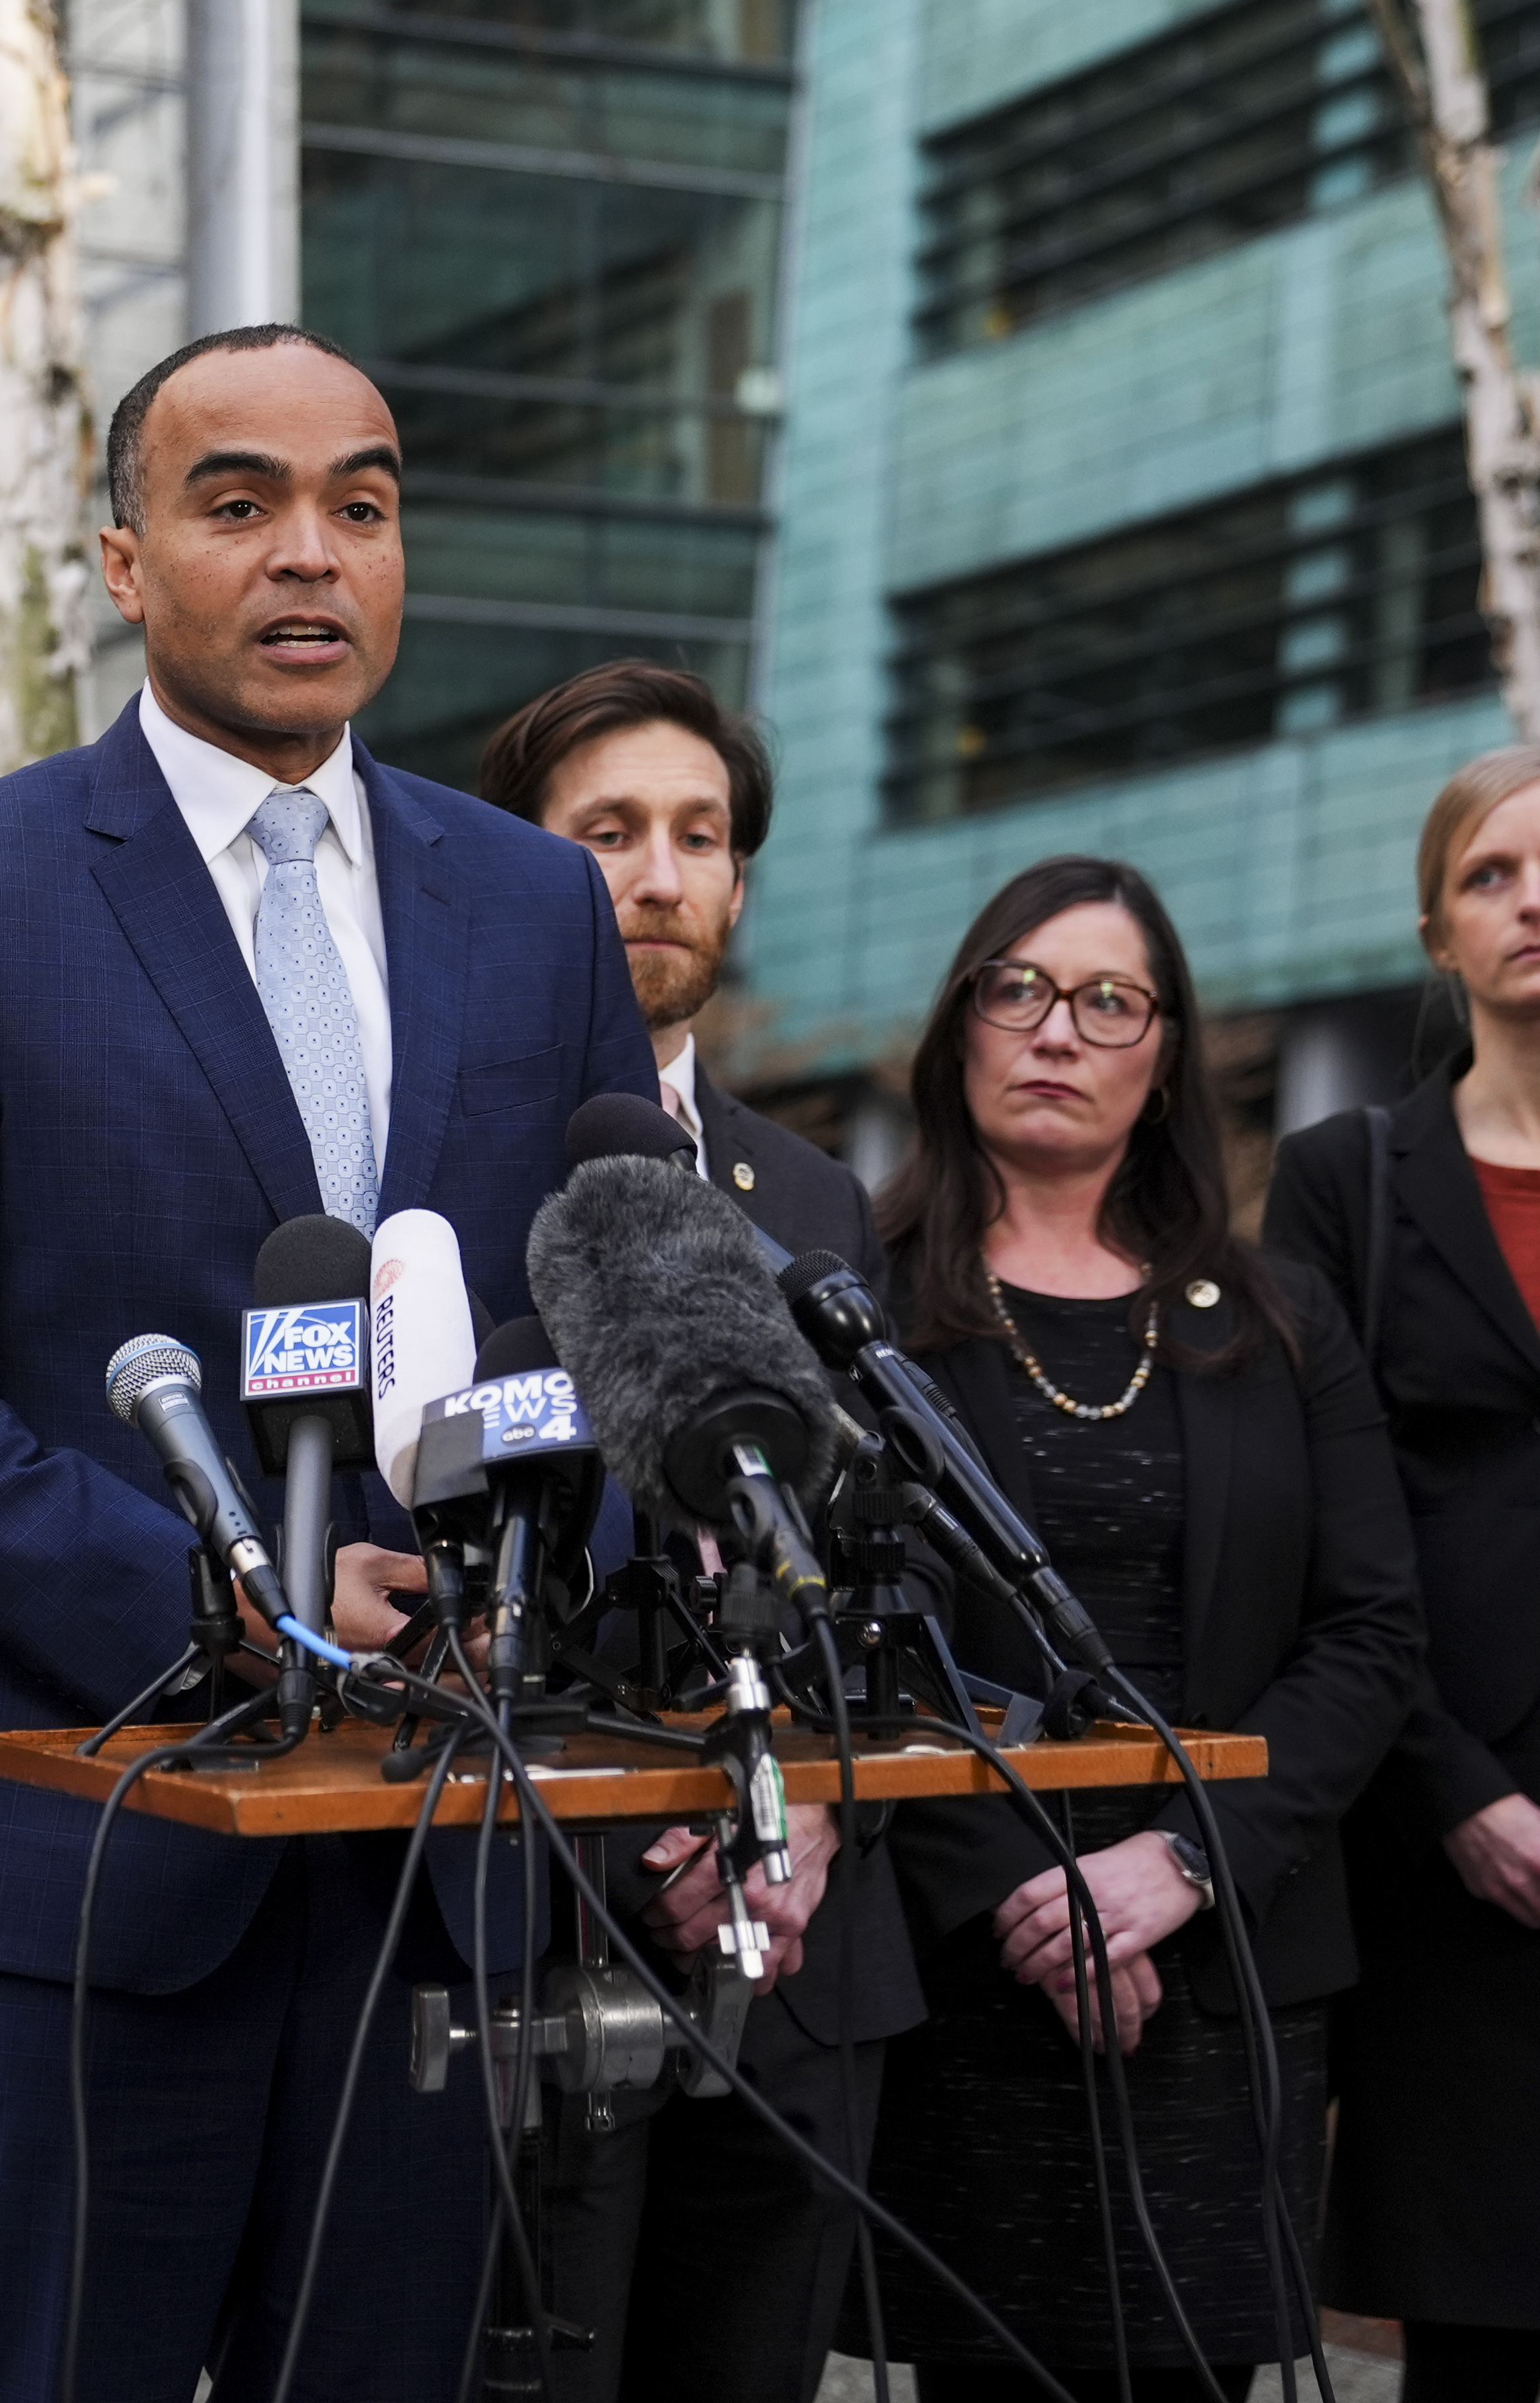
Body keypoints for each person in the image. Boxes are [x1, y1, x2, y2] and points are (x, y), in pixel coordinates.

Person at [0, 323, 655, 2400]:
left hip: (433, 1876)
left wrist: (525, 1560)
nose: (308, 556)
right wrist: (230, 1603)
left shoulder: (534, 905)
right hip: (81, 1871)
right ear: (117, 554)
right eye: (237, 502)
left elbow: (613, 1316)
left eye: (361, 504)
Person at [852, 856, 1420, 2399]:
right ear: (959, 1026)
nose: (1056, 1030)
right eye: (1017, 988)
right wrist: (1028, 1899)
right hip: (970, 1962)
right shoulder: (855, 1302)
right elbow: (851, 1637)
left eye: (1108, 1000)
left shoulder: (1281, 1318)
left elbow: (1371, 1636)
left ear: (1163, 1051)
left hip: (1223, 1957)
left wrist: (1172, 1866)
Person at [473, 657, 922, 2403]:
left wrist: (802, 1810)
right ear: (515, 868)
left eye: (699, 834)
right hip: (527, 1945)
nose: (657, 875)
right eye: (605, 833)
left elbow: (860, 1556)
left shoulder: (810, 1201)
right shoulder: (430, 1165)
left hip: (793, 1953)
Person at [1262, 749, 1540, 2402]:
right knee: (1466, 2355)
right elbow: (1321, 1518)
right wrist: (1447, 1790)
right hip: (1444, 1821)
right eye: (1493, 873)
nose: (1535, 899)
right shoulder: (1342, 1182)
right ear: (1439, 929)